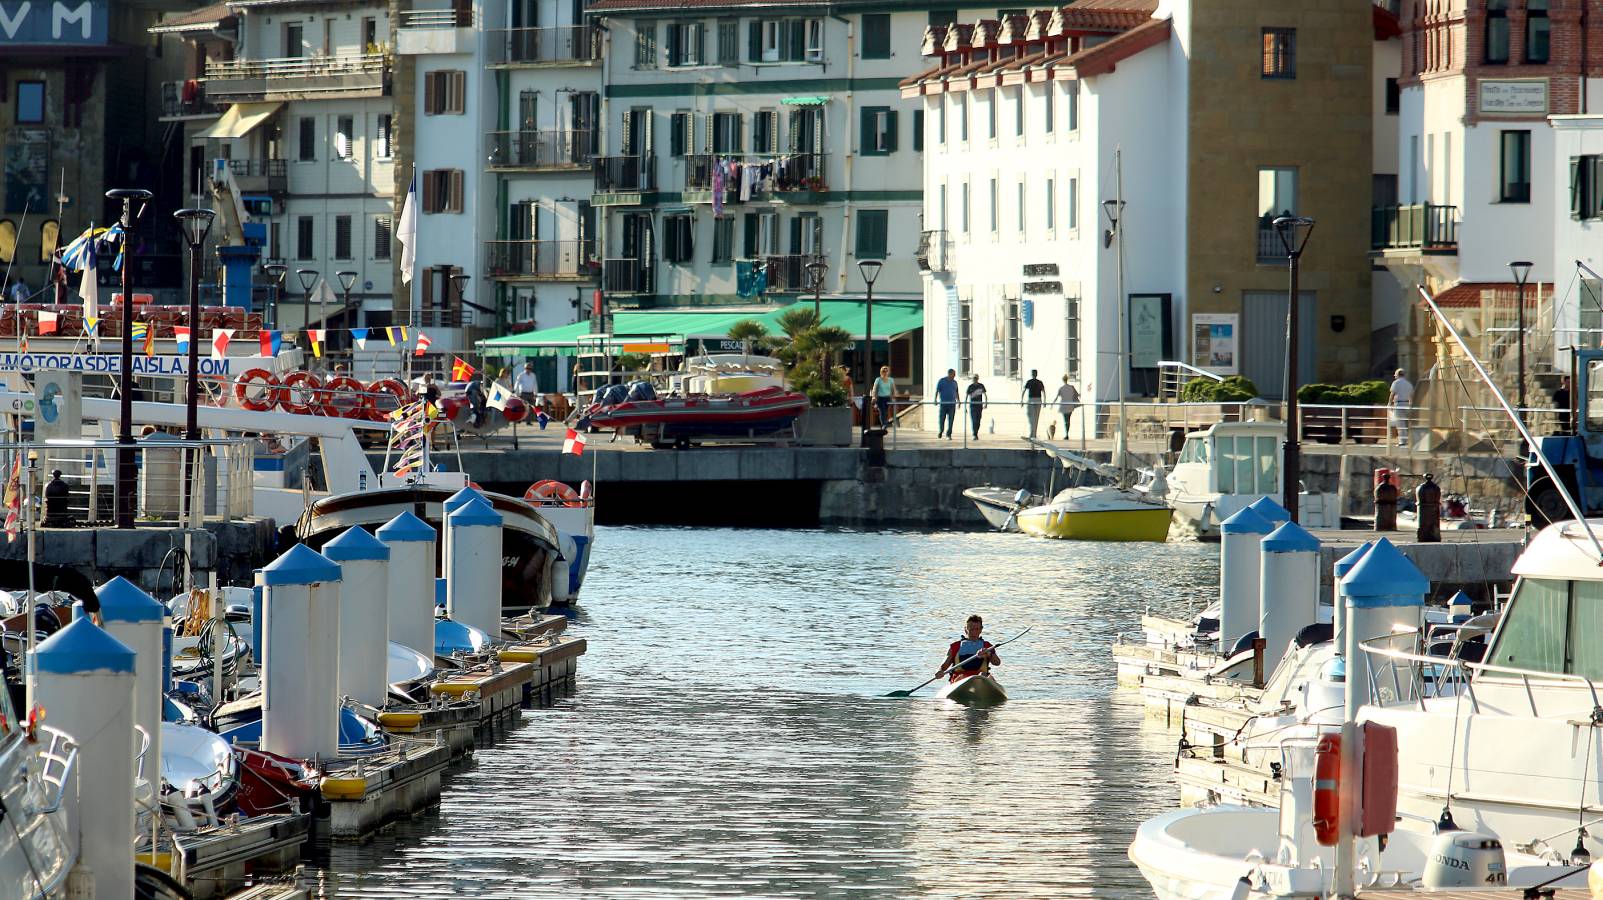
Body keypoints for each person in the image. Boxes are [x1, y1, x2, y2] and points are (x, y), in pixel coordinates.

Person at [937, 614, 1001, 683]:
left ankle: (981, 683)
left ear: (981, 629)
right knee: (962, 677)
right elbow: (944, 666)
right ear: (965, 629)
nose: (974, 632)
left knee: (984, 675)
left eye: (977, 629)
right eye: (971, 629)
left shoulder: (987, 646)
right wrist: (939, 671)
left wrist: (988, 653)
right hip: (960, 679)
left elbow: (997, 663)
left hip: (981, 678)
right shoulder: (955, 646)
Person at [1388, 367, 1414, 446]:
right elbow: (1411, 396)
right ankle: (1410, 440)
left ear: (1398, 375)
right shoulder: (1408, 384)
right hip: (1407, 404)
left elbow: (1392, 394)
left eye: (1395, 375)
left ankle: (1403, 441)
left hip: (1399, 404)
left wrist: (1389, 403)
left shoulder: (1396, 383)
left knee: (1400, 423)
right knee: (1407, 423)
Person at [934, 368, 959, 439]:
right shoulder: (942, 381)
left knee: (951, 420)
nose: (954, 376)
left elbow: (956, 392)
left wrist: (958, 401)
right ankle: (941, 430)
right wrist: (935, 399)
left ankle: (949, 434)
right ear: (949, 374)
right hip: (943, 404)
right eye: (953, 374)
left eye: (955, 374)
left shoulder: (955, 382)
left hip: (952, 404)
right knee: (942, 419)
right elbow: (937, 391)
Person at [1022, 369, 1046, 439]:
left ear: (1032, 374)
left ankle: (1032, 432)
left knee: (1031, 417)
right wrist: (1044, 401)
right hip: (1038, 399)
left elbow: (1024, 391)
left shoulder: (1029, 382)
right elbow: (1044, 392)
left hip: (1031, 399)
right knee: (1036, 417)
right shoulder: (1040, 382)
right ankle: (1034, 433)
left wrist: (1022, 400)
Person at [873, 365, 895, 429]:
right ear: (881, 372)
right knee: (882, 411)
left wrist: (893, 397)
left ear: (888, 372)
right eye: (883, 371)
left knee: (886, 412)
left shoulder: (891, 380)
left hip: (887, 398)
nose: (885, 373)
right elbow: (875, 389)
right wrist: (874, 397)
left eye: (886, 371)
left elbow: (893, 389)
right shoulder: (878, 379)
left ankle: (884, 423)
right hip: (880, 398)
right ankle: (884, 424)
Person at [966, 374, 987, 440]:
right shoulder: (970, 387)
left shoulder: (981, 386)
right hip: (973, 406)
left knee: (978, 421)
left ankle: (976, 432)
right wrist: (965, 406)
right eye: (974, 378)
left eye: (976, 378)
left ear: (978, 379)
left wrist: (986, 403)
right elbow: (967, 396)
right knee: (974, 420)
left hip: (979, 406)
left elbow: (985, 394)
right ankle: (974, 434)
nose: (975, 379)